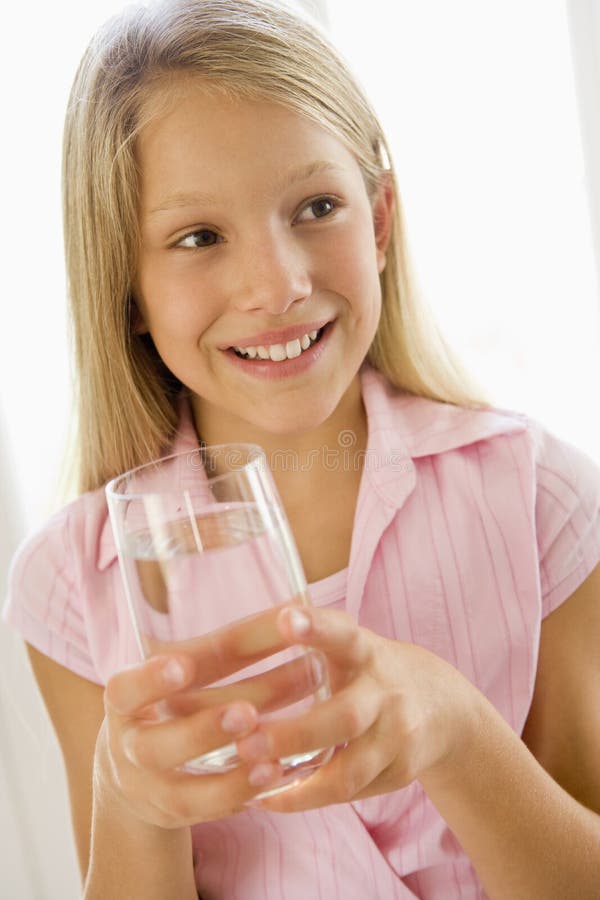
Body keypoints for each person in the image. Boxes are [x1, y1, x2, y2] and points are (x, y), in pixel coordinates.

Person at [4, 0, 600, 897]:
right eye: (198, 237)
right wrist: (131, 801)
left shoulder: (537, 498)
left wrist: (457, 731)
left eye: (317, 206)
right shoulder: (71, 581)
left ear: (381, 221)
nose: (278, 285)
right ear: (126, 287)